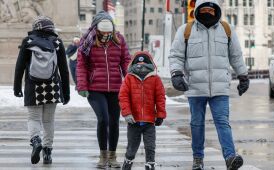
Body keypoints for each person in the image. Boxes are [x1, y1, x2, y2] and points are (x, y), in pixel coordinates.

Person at [168, 0, 250, 170]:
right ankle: (198, 159)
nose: (207, 12)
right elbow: (176, 56)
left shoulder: (227, 30)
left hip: (220, 87)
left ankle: (230, 157)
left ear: (216, 10)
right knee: (197, 124)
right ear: (197, 9)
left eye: (210, 9)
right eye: (203, 9)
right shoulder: (186, 30)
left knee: (222, 122)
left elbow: (236, 55)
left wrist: (243, 76)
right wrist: (176, 74)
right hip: (195, 88)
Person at [76, 11, 131, 169]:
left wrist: (130, 79)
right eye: (103, 31)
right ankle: (103, 155)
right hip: (95, 88)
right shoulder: (87, 42)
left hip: (115, 87)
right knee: (103, 119)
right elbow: (81, 66)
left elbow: (126, 60)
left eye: (109, 30)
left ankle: (113, 156)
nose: (106, 33)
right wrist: (82, 86)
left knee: (114, 122)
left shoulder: (119, 40)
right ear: (96, 28)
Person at [13, 15, 70, 164]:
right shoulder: (57, 42)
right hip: (52, 86)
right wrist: (66, 92)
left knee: (33, 118)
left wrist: (17, 87)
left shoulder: (28, 42)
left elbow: (19, 67)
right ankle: (47, 153)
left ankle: (36, 140)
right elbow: (64, 69)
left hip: (33, 85)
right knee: (48, 121)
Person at [119, 51, 167, 170]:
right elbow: (123, 96)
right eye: (138, 65)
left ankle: (150, 165)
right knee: (132, 148)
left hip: (149, 121)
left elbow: (160, 97)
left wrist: (160, 114)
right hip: (133, 121)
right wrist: (127, 113)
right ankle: (127, 163)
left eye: (144, 65)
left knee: (150, 147)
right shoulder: (129, 78)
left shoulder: (155, 79)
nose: (141, 67)